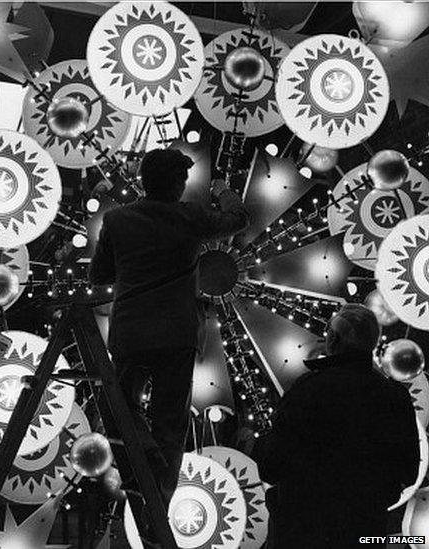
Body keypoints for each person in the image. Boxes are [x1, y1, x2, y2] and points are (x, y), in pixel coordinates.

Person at [89, 147, 250, 504]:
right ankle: (161, 488)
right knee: (171, 421)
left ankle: (144, 461)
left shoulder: (117, 220)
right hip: (177, 333)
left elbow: (98, 274)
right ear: (178, 183)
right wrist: (223, 191)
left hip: (131, 330)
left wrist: (132, 264)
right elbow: (239, 218)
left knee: (118, 407)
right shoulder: (189, 217)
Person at [252, 304, 420, 548]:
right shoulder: (394, 397)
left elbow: (271, 465)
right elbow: (408, 472)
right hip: (364, 530)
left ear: (334, 339)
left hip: (301, 529)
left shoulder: (307, 390)